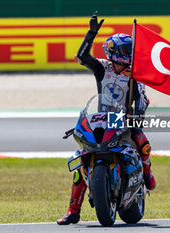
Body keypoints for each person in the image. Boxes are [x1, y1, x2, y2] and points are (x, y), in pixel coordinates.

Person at [56, 11, 156, 225]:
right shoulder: (103, 68)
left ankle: (147, 172)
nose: (130, 54)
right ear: (115, 53)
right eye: (126, 50)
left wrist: (137, 117)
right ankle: (73, 211)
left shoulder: (136, 74)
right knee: (79, 158)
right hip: (101, 118)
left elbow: (142, 98)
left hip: (124, 120)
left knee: (143, 143)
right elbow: (82, 57)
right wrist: (91, 34)